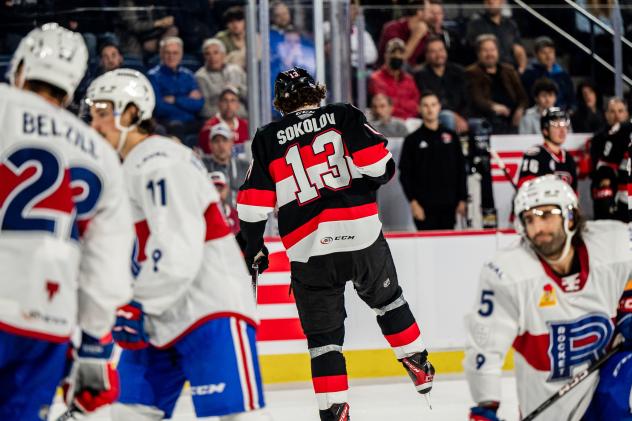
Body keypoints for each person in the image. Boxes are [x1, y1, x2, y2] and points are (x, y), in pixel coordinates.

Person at [237, 67, 435, 421]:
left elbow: (253, 206)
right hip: (359, 232)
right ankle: (417, 363)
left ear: (280, 103)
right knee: (389, 301)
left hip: (308, 249)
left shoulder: (267, 138)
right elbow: (380, 169)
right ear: (317, 91)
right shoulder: (343, 114)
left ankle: (335, 411)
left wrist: (254, 246)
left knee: (324, 341)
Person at [86, 69, 267, 421]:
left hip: (208, 308)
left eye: (102, 112)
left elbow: (177, 245)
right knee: (127, 413)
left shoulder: (159, 160)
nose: (94, 123)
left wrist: (136, 302)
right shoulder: (130, 167)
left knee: (237, 417)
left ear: (131, 113)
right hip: (158, 314)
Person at [0, 23, 134, 420]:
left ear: (20, 66)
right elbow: (107, 263)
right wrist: (94, 343)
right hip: (46, 321)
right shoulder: (99, 151)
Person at [464, 175, 632, 421]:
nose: (538, 228)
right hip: (550, 407)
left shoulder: (613, 245)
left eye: (546, 215)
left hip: (606, 382)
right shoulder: (507, 273)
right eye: (529, 219)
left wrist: (627, 309)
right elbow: (484, 347)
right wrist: (485, 406)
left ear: (571, 216)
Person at [399, 92, 467, 230]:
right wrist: (413, 203)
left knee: (447, 247)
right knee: (426, 248)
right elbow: (405, 175)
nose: (430, 109)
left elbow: (461, 169)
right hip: (424, 207)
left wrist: (462, 199)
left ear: (439, 107)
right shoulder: (412, 140)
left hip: (449, 205)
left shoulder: (451, 136)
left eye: (433, 105)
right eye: (425, 105)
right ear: (419, 109)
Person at [465, 34, 528, 134]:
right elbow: (477, 99)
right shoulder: (472, 72)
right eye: (485, 50)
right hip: (487, 116)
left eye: (492, 50)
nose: (489, 54)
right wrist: (493, 106)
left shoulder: (509, 70)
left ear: (497, 51)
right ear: (478, 53)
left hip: (513, 115)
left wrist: (520, 109)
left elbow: (523, 97)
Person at [147, 36, 204, 147]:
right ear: (161, 54)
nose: (171, 56)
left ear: (181, 55)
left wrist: (175, 100)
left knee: (210, 126)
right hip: (167, 121)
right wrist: (187, 99)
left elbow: (199, 104)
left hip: (190, 120)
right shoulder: (153, 76)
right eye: (167, 53)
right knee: (176, 126)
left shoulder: (188, 75)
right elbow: (159, 107)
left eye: (175, 53)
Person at [414, 35, 468, 133]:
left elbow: (467, 99)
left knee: (480, 124)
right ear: (426, 55)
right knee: (447, 117)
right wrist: (455, 116)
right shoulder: (420, 75)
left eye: (441, 50)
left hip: (462, 116)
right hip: (436, 115)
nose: (439, 54)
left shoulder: (459, 72)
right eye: (433, 51)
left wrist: (462, 117)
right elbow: (428, 100)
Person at [517, 107, 577, 191]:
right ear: (545, 130)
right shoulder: (535, 154)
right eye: (557, 126)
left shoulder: (568, 158)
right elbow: (524, 187)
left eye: (564, 126)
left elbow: (574, 194)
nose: (562, 130)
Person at [589, 98, 630, 220]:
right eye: (612, 111)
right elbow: (598, 168)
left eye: (620, 111)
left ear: (626, 114)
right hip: (608, 184)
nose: (617, 115)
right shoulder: (598, 138)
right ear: (606, 114)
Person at [465, 0, 527, 72]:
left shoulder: (510, 25)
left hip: (508, 70)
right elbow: (472, 51)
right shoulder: (475, 25)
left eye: (494, 0)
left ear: (502, 2)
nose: (490, 3)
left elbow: (519, 50)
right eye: (487, 1)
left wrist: (521, 69)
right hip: (485, 71)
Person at [195, 38, 248, 119]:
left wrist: (239, 89)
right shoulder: (200, 77)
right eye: (207, 54)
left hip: (245, 119)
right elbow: (204, 110)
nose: (212, 57)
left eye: (216, 53)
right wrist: (229, 113)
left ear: (223, 54)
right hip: (217, 121)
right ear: (204, 57)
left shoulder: (236, 70)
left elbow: (252, 97)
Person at [369, 38, 421, 120]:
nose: (397, 56)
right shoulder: (376, 78)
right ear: (386, 55)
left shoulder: (409, 79)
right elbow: (383, 107)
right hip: (388, 122)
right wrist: (406, 105)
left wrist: (397, 103)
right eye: (393, 53)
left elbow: (417, 105)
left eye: (400, 53)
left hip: (410, 121)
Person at [201, 123, 250, 207]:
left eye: (224, 140)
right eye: (216, 141)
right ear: (210, 144)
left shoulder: (245, 166)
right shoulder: (202, 166)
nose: (221, 145)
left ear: (231, 142)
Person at [521, 36, 575, 110]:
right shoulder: (529, 75)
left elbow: (571, 99)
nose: (548, 56)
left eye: (551, 52)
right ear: (536, 55)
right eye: (543, 53)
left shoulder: (563, 75)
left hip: (562, 113)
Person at [377, 0, 430, 68]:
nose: (431, 15)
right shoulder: (392, 28)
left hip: (411, 73)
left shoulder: (425, 32)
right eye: (429, 11)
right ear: (419, 12)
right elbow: (398, 60)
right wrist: (416, 36)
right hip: (388, 71)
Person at [199, 86, 250, 152]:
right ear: (219, 104)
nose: (229, 105)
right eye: (225, 101)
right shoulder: (209, 128)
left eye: (233, 101)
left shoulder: (246, 125)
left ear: (238, 105)